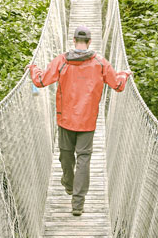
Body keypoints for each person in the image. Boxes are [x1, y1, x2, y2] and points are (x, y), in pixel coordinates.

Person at [29, 25, 129, 216]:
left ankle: (68, 183)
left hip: (65, 119)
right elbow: (117, 85)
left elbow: (40, 82)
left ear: (73, 40)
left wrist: (34, 69)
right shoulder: (100, 63)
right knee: (83, 159)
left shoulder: (62, 60)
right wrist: (123, 74)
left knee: (66, 155)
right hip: (88, 121)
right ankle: (78, 204)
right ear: (90, 42)